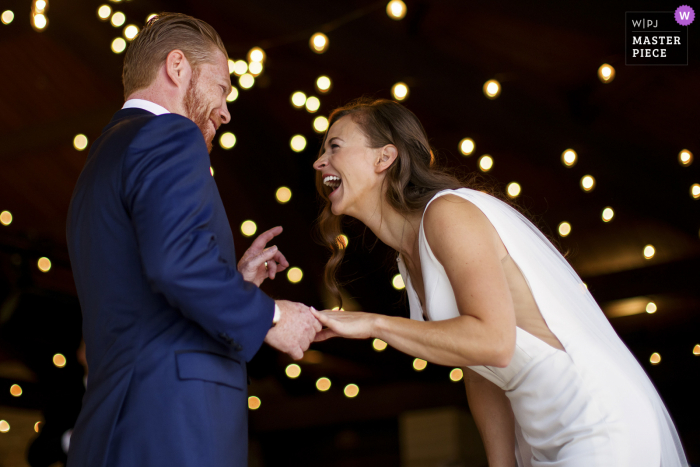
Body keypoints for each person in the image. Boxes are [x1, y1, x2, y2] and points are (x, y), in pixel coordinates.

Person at [311, 98, 688, 466]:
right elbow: (479, 366)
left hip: (598, 421)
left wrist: (375, 324)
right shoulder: (407, 260)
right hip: (541, 441)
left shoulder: (446, 215)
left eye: (335, 146)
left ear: (384, 158)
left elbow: (494, 342)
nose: (319, 161)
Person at [66, 13, 320, 467]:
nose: (225, 110)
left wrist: (233, 281)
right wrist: (273, 317)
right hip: (174, 422)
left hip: (115, 424)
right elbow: (175, 265)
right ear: (177, 67)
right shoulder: (171, 134)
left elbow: (144, 278)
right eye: (221, 88)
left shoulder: (102, 158)